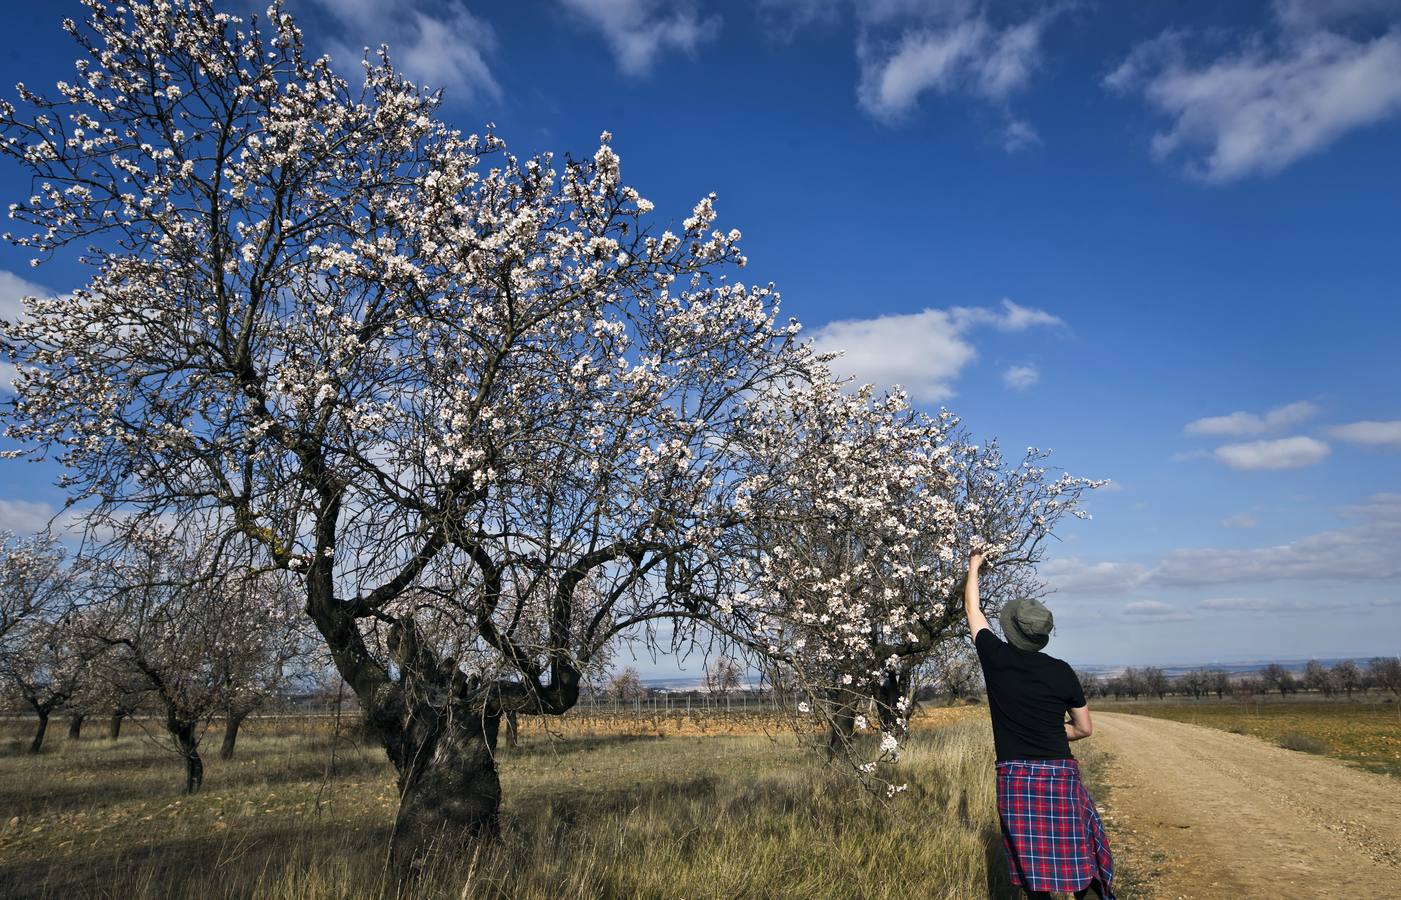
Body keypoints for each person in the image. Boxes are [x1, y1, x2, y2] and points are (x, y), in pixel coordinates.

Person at [966, 549, 1115, 900]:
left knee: (1034, 873)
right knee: (1080, 856)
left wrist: (974, 566)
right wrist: (1053, 729)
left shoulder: (996, 658)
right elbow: (1084, 728)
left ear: (1011, 630)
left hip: (1016, 778)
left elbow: (972, 610)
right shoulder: (1061, 671)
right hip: (1060, 774)